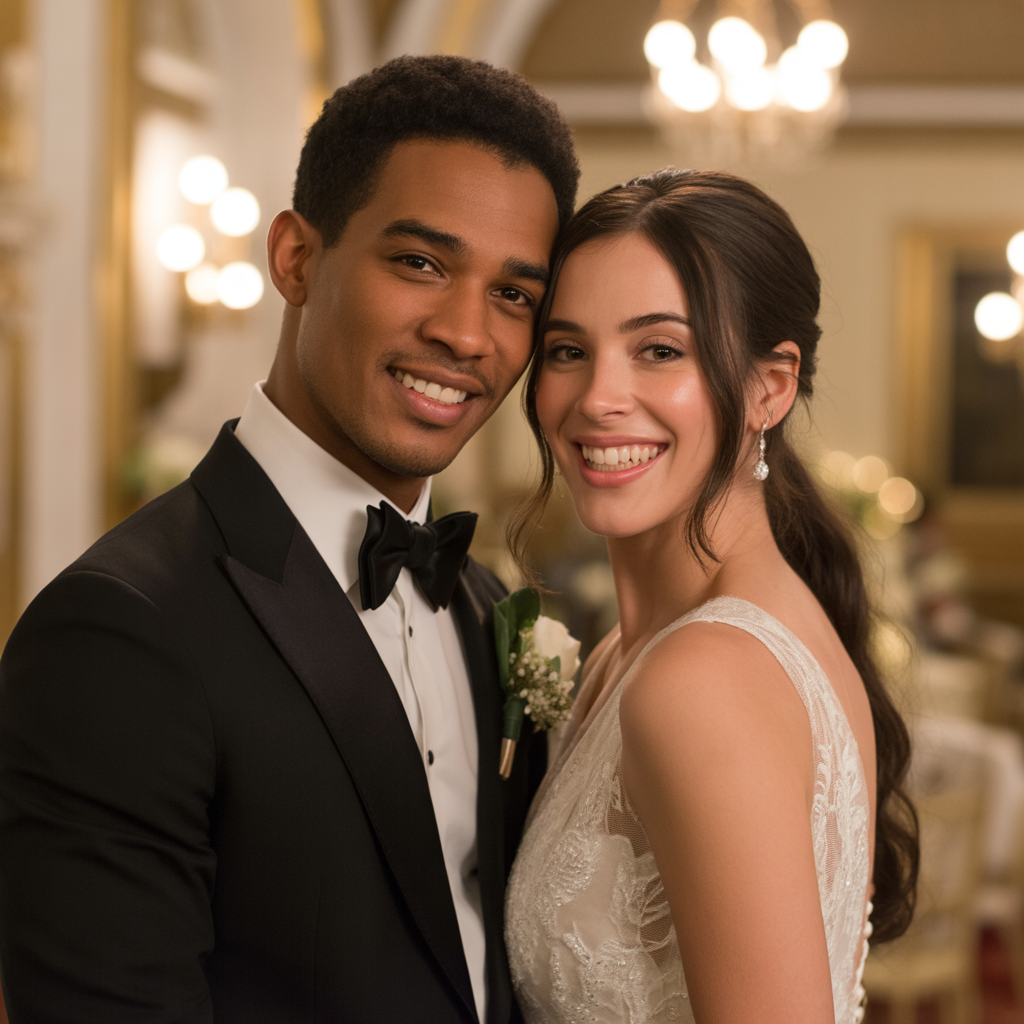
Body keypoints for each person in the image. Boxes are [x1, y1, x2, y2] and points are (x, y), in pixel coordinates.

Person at [0, 55, 578, 1023]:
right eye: (421, 263)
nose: (468, 335)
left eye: (513, 295)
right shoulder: (118, 630)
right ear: (296, 258)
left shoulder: (485, 609)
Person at [504, 169, 919, 1024]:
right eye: (568, 349)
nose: (597, 399)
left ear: (770, 387)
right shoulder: (656, 648)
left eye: (660, 350)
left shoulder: (703, 678)